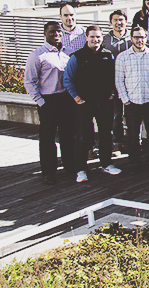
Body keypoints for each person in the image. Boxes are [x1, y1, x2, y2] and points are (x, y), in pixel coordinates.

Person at [63, 25, 121, 182]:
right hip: (83, 104)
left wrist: (111, 94)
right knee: (82, 136)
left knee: (106, 134)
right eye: (92, 37)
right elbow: (67, 79)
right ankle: (81, 169)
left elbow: (113, 78)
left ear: (102, 38)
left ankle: (107, 164)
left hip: (104, 103)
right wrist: (76, 98)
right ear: (86, 38)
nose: (95, 40)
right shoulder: (77, 57)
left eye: (98, 37)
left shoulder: (108, 55)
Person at [25, 22, 75, 184]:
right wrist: (41, 102)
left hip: (66, 99)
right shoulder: (37, 55)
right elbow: (29, 82)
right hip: (48, 101)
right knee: (48, 138)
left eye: (58, 32)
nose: (56, 35)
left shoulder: (69, 52)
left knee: (68, 135)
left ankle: (69, 166)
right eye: (52, 32)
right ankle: (48, 172)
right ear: (45, 33)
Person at [114, 26, 149, 173]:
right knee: (132, 134)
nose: (139, 40)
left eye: (142, 37)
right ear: (131, 38)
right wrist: (125, 99)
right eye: (136, 37)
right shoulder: (122, 57)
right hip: (132, 102)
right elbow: (119, 80)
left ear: (146, 37)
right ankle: (134, 162)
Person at [103, 9, 131, 152]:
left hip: (131, 83)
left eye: (121, 20)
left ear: (126, 22)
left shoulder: (132, 39)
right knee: (116, 115)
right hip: (113, 84)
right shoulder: (105, 40)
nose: (118, 23)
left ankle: (134, 142)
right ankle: (117, 143)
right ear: (110, 22)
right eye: (115, 20)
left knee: (132, 115)